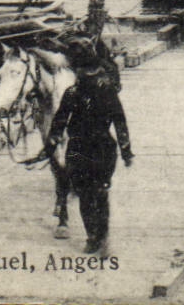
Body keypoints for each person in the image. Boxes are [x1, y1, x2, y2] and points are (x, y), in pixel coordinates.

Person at [35, 38, 133, 257]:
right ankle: (98, 236)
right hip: (97, 148)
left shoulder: (74, 93)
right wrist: (126, 150)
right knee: (95, 193)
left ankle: (97, 236)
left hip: (84, 148)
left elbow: (59, 124)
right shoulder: (102, 91)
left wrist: (51, 145)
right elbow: (119, 121)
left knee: (91, 194)